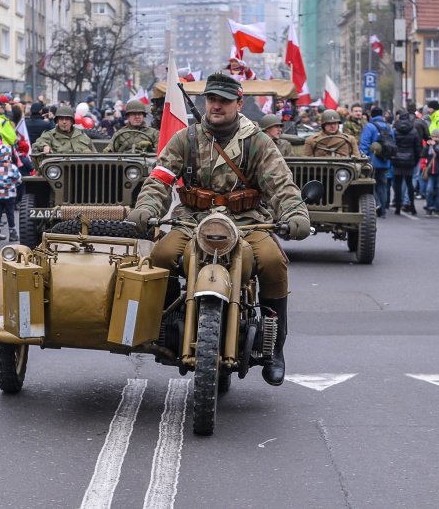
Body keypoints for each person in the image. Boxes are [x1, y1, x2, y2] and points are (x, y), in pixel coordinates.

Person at [126, 73, 311, 386]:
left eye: (224, 100)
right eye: (211, 99)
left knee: (274, 263)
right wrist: (147, 208)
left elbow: (280, 183)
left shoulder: (257, 141)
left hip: (247, 221)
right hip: (192, 219)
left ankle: (274, 346)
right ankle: (164, 326)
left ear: (239, 103)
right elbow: (160, 177)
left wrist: (294, 213)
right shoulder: (186, 138)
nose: (216, 105)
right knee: (161, 255)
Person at [359, 107, 394, 217]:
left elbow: (364, 144)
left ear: (372, 115)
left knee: (369, 185)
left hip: (372, 162)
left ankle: (377, 205)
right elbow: (393, 144)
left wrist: (363, 159)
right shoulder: (389, 127)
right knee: (382, 186)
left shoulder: (370, 126)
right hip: (385, 161)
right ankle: (382, 211)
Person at [391, 111, 421, 215]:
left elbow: (392, 145)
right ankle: (412, 206)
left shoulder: (395, 130)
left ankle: (397, 207)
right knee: (409, 184)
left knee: (398, 185)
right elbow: (417, 147)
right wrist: (415, 160)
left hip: (397, 160)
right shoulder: (414, 131)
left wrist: (393, 158)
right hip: (410, 159)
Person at [422, 129, 439, 216]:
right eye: (433, 136)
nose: (434, 138)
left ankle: (437, 209)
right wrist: (427, 146)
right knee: (429, 190)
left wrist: (435, 147)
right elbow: (423, 155)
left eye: (436, 137)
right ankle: (429, 208)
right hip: (430, 172)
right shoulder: (429, 147)